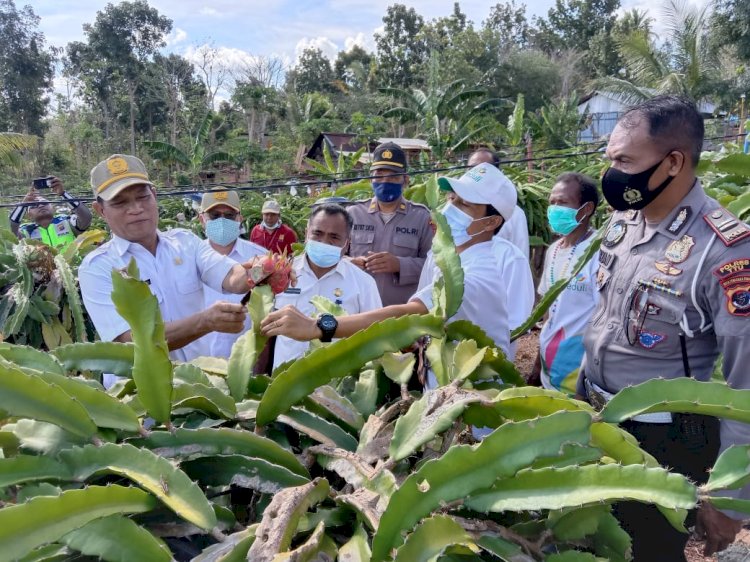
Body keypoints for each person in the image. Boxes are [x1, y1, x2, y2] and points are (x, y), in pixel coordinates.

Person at [577, 95, 749, 560]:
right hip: (593, 413)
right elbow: (606, 319)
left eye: (623, 161)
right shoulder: (624, 222)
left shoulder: (724, 251)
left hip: (662, 439)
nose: (611, 172)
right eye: (609, 158)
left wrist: (731, 496)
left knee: (649, 550)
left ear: (673, 163)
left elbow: (745, 383)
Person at [261, 162, 515, 362]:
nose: (450, 208)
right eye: (452, 199)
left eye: (464, 205)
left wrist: (318, 326)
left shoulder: (475, 275)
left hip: (472, 405)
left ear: (492, 222)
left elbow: (404, 315)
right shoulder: (450, 259)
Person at [79, 154, 256, 365]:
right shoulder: (98, 267)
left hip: (198, 386)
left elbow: (232, 276)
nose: (136, 209)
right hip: (137, 394)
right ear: (100, 210)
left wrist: (261, 271)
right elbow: (128, 341)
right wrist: (204, 321)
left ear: (154, 195)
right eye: (119, 202)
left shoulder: (186, 243)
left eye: (143, 197)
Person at [272, 203, 381, 370]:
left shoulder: (363, 283)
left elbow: (374, 333)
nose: (324, 242)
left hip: (336, 384)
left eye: (334, 237)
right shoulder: (280, 274)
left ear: (347, 243)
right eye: (317, 233)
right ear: (306, 232)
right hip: (284, 382)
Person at [531, 172, 599, 394]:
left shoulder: (599, 253)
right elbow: (549, 312)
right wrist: (538, 363)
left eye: (562, 202)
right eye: (552, 202)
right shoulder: (554, 250)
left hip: (579, 371)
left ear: (586, 209)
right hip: (550, 365)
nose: (554, 209)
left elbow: (604, 320)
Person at [347, 142, 433, 306]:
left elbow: (434, 266)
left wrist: (400, 265)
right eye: (379, 175)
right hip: (357, 310)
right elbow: (334, 256)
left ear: (405, 180)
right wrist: (348, 262)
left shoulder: (422, 217)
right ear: (371, 178)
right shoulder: (353, 213)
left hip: (400, 315)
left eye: (393, 176)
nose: (385, 181)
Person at [199, 190, 266, 358]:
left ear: (239, 219)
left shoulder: (260, 258)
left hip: (246, 361)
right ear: (202, 219)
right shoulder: (186, 259)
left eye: (229, 216)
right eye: (214, 215)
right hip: (199, 363)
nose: (222, 221)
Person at [469, 148, 530, 259]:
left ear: (496, 173)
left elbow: (521, 256)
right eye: (471, 169)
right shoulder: (458, 210)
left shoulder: (514, 214)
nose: (474, 173)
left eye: (482, 169)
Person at [10, 176, 92, 250]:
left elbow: (86, 218)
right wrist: (23, 205)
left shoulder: (66, 221)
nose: (41, 205)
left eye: (45, 203)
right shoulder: (26, 231)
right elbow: (10, 230)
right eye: (34, 205)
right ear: (29, 215)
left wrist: (63, 194)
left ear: (53, 208)